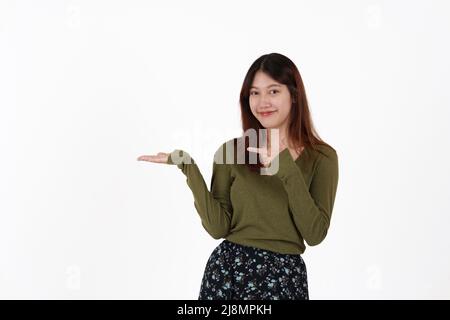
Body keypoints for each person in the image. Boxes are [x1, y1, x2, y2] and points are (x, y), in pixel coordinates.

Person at [137, 53, 339, 300]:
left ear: (294, 95)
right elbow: (217, 227)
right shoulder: (230, 152)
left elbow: (315, 234)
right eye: (255, 93)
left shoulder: (322, 157)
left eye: (273, 91)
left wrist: (283, 165)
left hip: (284, 279)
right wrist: (187, 166)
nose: (262, 101)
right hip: (227, 273)